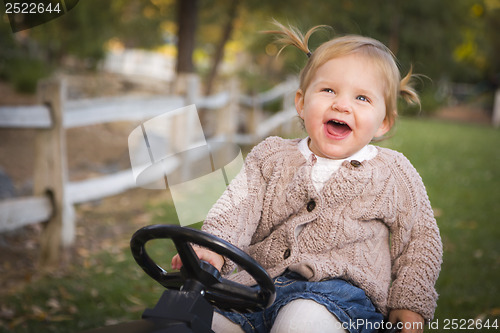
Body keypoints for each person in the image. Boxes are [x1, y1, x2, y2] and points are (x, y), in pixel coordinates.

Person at [172, 21, 442, 333]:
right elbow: (236, 208)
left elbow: (421, 239)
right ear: (301, 102)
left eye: (362, 98)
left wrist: (410, 301)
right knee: (199, 321)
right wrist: (213, 249)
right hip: (258, 286)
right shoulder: (270, 157)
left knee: (301, 321)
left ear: (383, 122)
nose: (341, 104)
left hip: (343, 296)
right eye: (328, 90)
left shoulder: (393, 172)